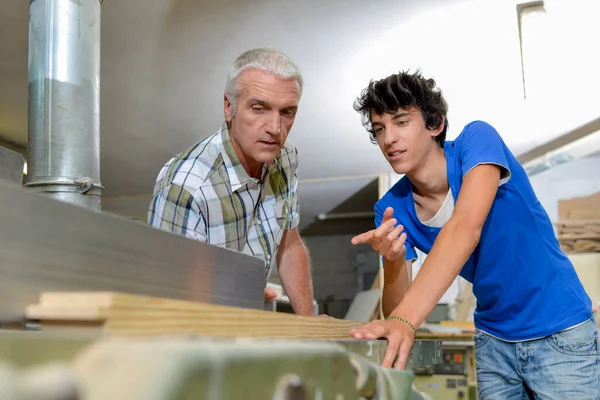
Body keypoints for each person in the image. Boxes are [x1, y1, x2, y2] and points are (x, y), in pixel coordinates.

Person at [349, 70, 599, 399]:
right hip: (493, 339)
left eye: (401, 122)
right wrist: (394, 261)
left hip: (559, 328)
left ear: (434, 123)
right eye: (379, 129)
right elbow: (397, 312)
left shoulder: (477, 142)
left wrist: (405, 321)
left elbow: (466, 226)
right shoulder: (391, 208)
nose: (388, 139)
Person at [148, 48, 315, 316]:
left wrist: (309, 324)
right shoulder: (187, 185)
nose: (275, 128)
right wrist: (230, 297)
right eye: (259, 108)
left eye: (287, 112)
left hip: (245, 320)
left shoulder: (286, 158)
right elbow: (169, 295)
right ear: (229, 107)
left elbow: (290, 243)